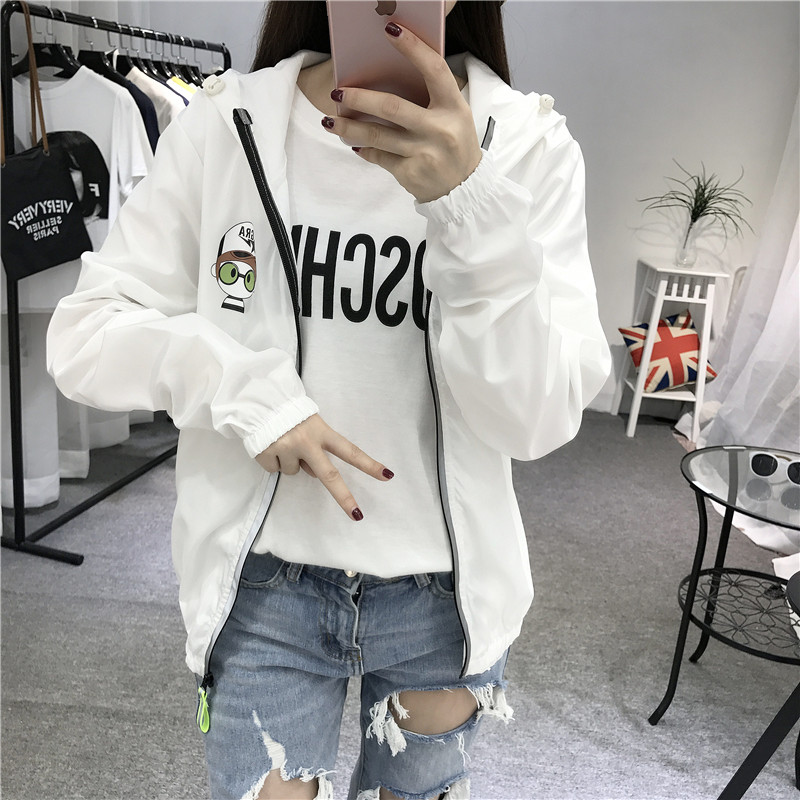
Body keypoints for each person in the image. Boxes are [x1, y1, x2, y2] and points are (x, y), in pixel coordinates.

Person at [46, 1, 611, 798]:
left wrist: (470, 205)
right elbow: (86, 335)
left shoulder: (527, 145)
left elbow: (535, 418)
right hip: (263, 587)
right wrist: (245, 388)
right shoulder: (224, 126)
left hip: (443, 597)